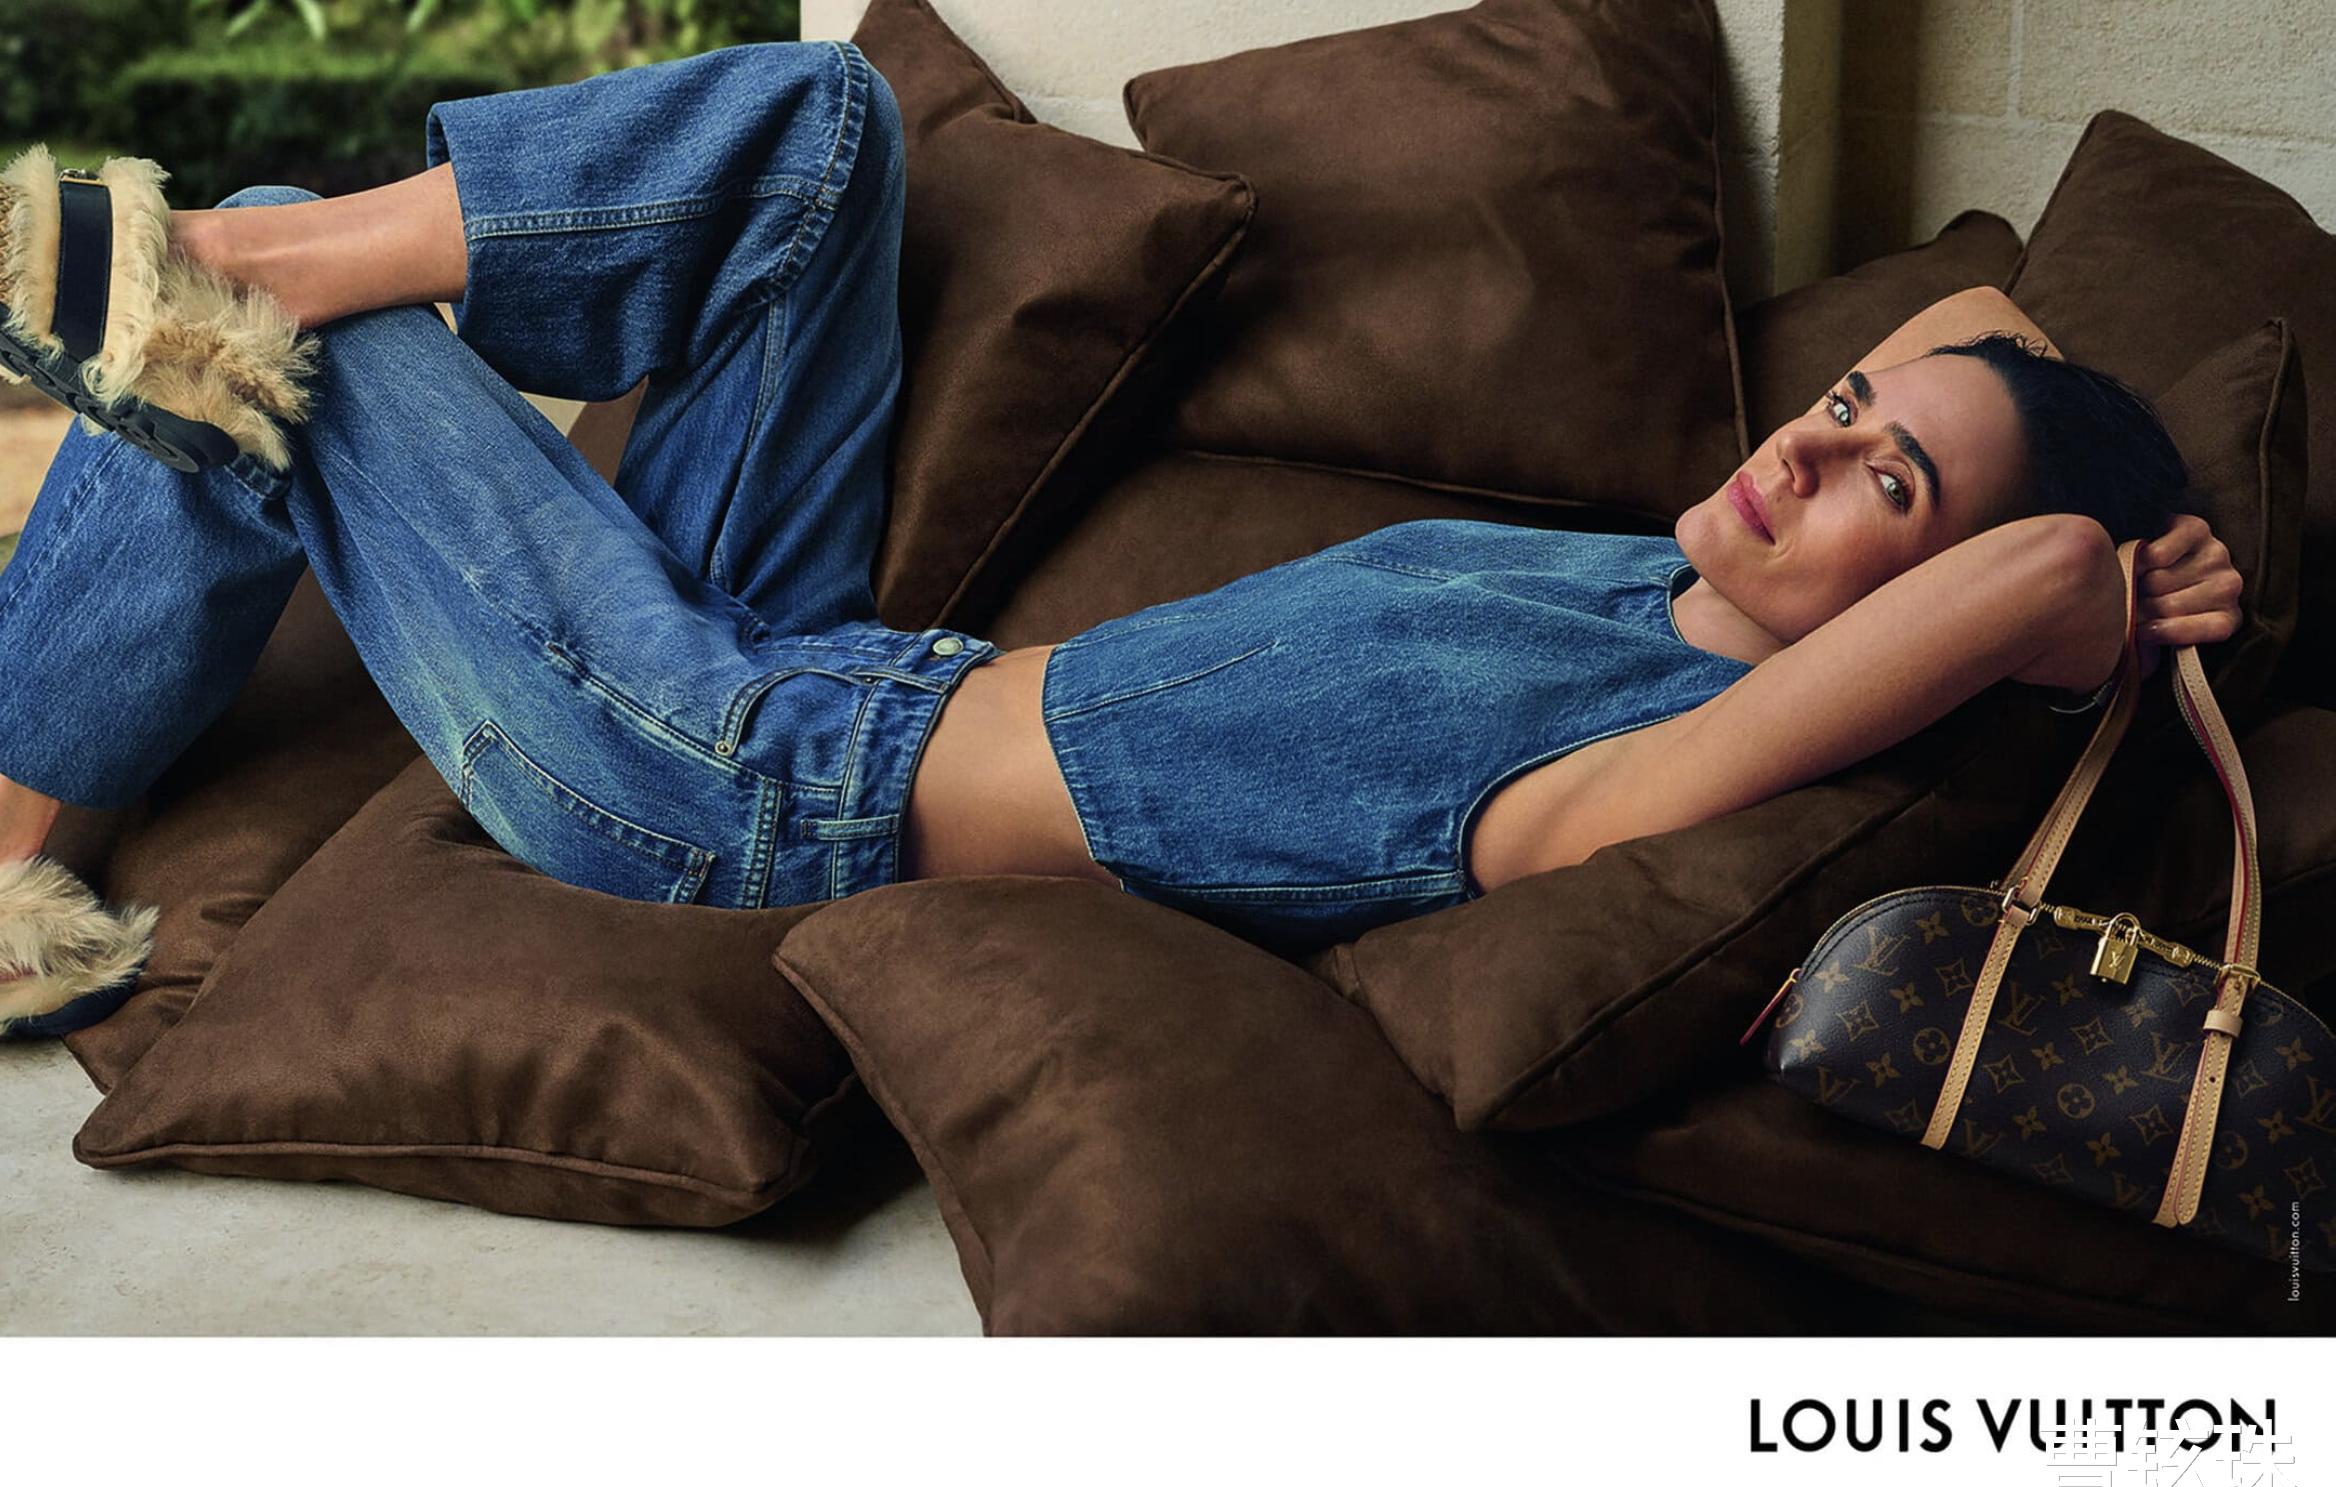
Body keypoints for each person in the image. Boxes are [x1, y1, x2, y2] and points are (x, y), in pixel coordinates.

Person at [0, 40, 2243, 1033]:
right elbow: (1976, 332)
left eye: (1883, 489)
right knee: (823, 130)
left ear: (1943, 609)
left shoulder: (1642, 756)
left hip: (714, 777)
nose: (1808, 450)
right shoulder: (1656, 567)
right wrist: (2013, 463)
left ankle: (189, 317)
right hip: (809, 653)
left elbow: (2029, 552)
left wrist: (2105, 592)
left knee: (264, 303)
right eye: (1835, 417)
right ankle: (214, 272)